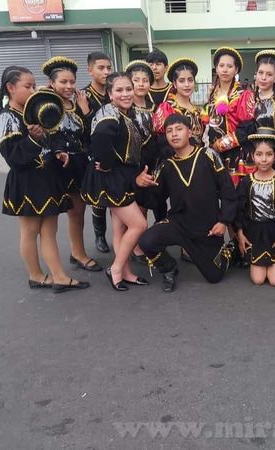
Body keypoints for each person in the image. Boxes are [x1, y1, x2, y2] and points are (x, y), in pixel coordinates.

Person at [0, 66, 89, 293]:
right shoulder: (6, 118)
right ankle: (35, 275)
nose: (33, 90)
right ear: (10, 88)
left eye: (34, 85)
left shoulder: (34, 111)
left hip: (48, 179)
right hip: (27, 183)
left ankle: (59, 276)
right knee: (30, 232)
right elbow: (13, 158)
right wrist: (33, 140)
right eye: (28, 86)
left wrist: (58, 151)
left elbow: (51, 139)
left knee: (49, 232)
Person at [138, 114, 237, 293]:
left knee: (214, 276)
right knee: (147, 241)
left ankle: (232, 248)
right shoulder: (166, 165)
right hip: (179, 224)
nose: (174, 134)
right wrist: (139, 183)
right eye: (169, 131)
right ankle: (169, 269)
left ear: (190, 132)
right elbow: (155, 199)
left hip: (207, 229)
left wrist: (223, 221)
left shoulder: (208, 155)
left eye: (179, 129)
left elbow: (227, 190)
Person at [81, 72, 152, 292]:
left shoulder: (122, 112)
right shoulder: (109, 113)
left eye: (128, 89)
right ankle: (116, 269)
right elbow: (100, 136)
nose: (125, 94)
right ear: (110, 94)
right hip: (111, 180)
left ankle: (126, 272)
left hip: (118, 177)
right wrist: (106, 163)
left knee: (120, 228)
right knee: (139, 225)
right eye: (119, 90)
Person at [42, 56, 102, 273]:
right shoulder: (47, 106)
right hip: (60, 165)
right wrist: (58, 150)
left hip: (79, 164)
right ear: (52, 83)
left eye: (72, 82)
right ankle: (68, 258)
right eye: (63, 82)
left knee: (78, 212)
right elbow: (48, 135)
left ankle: (77, 252)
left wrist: (85, 110)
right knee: (54, 217)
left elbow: (91, 133)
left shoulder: (78, 103)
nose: (68, 86)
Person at [202, 46, 255, 266]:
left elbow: (247, 128)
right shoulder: (212, 95)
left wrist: (220, 145)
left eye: (229, 66)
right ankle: (231, 248)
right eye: (221, 65)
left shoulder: (244, 95)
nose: (225, 69)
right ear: (216, 68)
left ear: (236, 70)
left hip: (236, 156)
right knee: (222, 201)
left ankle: (244, 247)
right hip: (216, 157)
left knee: (238, 200)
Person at [152, 58, 205, 263]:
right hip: (174, 164)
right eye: (182, 80)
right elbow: (160, 139)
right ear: (174, 83)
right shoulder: (167, 107)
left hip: (195, 163)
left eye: (190, 80)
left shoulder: (196, 109)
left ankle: (190, 244)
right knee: (177, 205)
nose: (186, 84)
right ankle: (161, 246)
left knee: (194, 204)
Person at [236, 128, 275, 286]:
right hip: (254, 233)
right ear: (252, 155)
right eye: (259, 154)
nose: (263, 159)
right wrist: (240, 233)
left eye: (269, 154)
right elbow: (240, 209)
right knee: (258, 280)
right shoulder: (246, 182)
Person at [125, 60, 158, 263]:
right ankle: (133, 247)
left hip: (150, 160)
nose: (141, 84)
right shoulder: (125, 108)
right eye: (136, 80)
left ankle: (140, 242)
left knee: (144, 203)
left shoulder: (154, 107)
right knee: (131, 204)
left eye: (145, 80)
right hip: (131, 161)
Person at [82, 51, 113, 254]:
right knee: (99, 199)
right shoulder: (83, 96)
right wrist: (86, 112)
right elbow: (86, 128)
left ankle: (121, 237)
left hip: (115, 151)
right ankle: (100, 235)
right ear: (90, 70)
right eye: (101, 68)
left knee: (117, 197)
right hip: (94, 152)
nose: (106, 72)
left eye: (109, 68)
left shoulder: (114, 91)